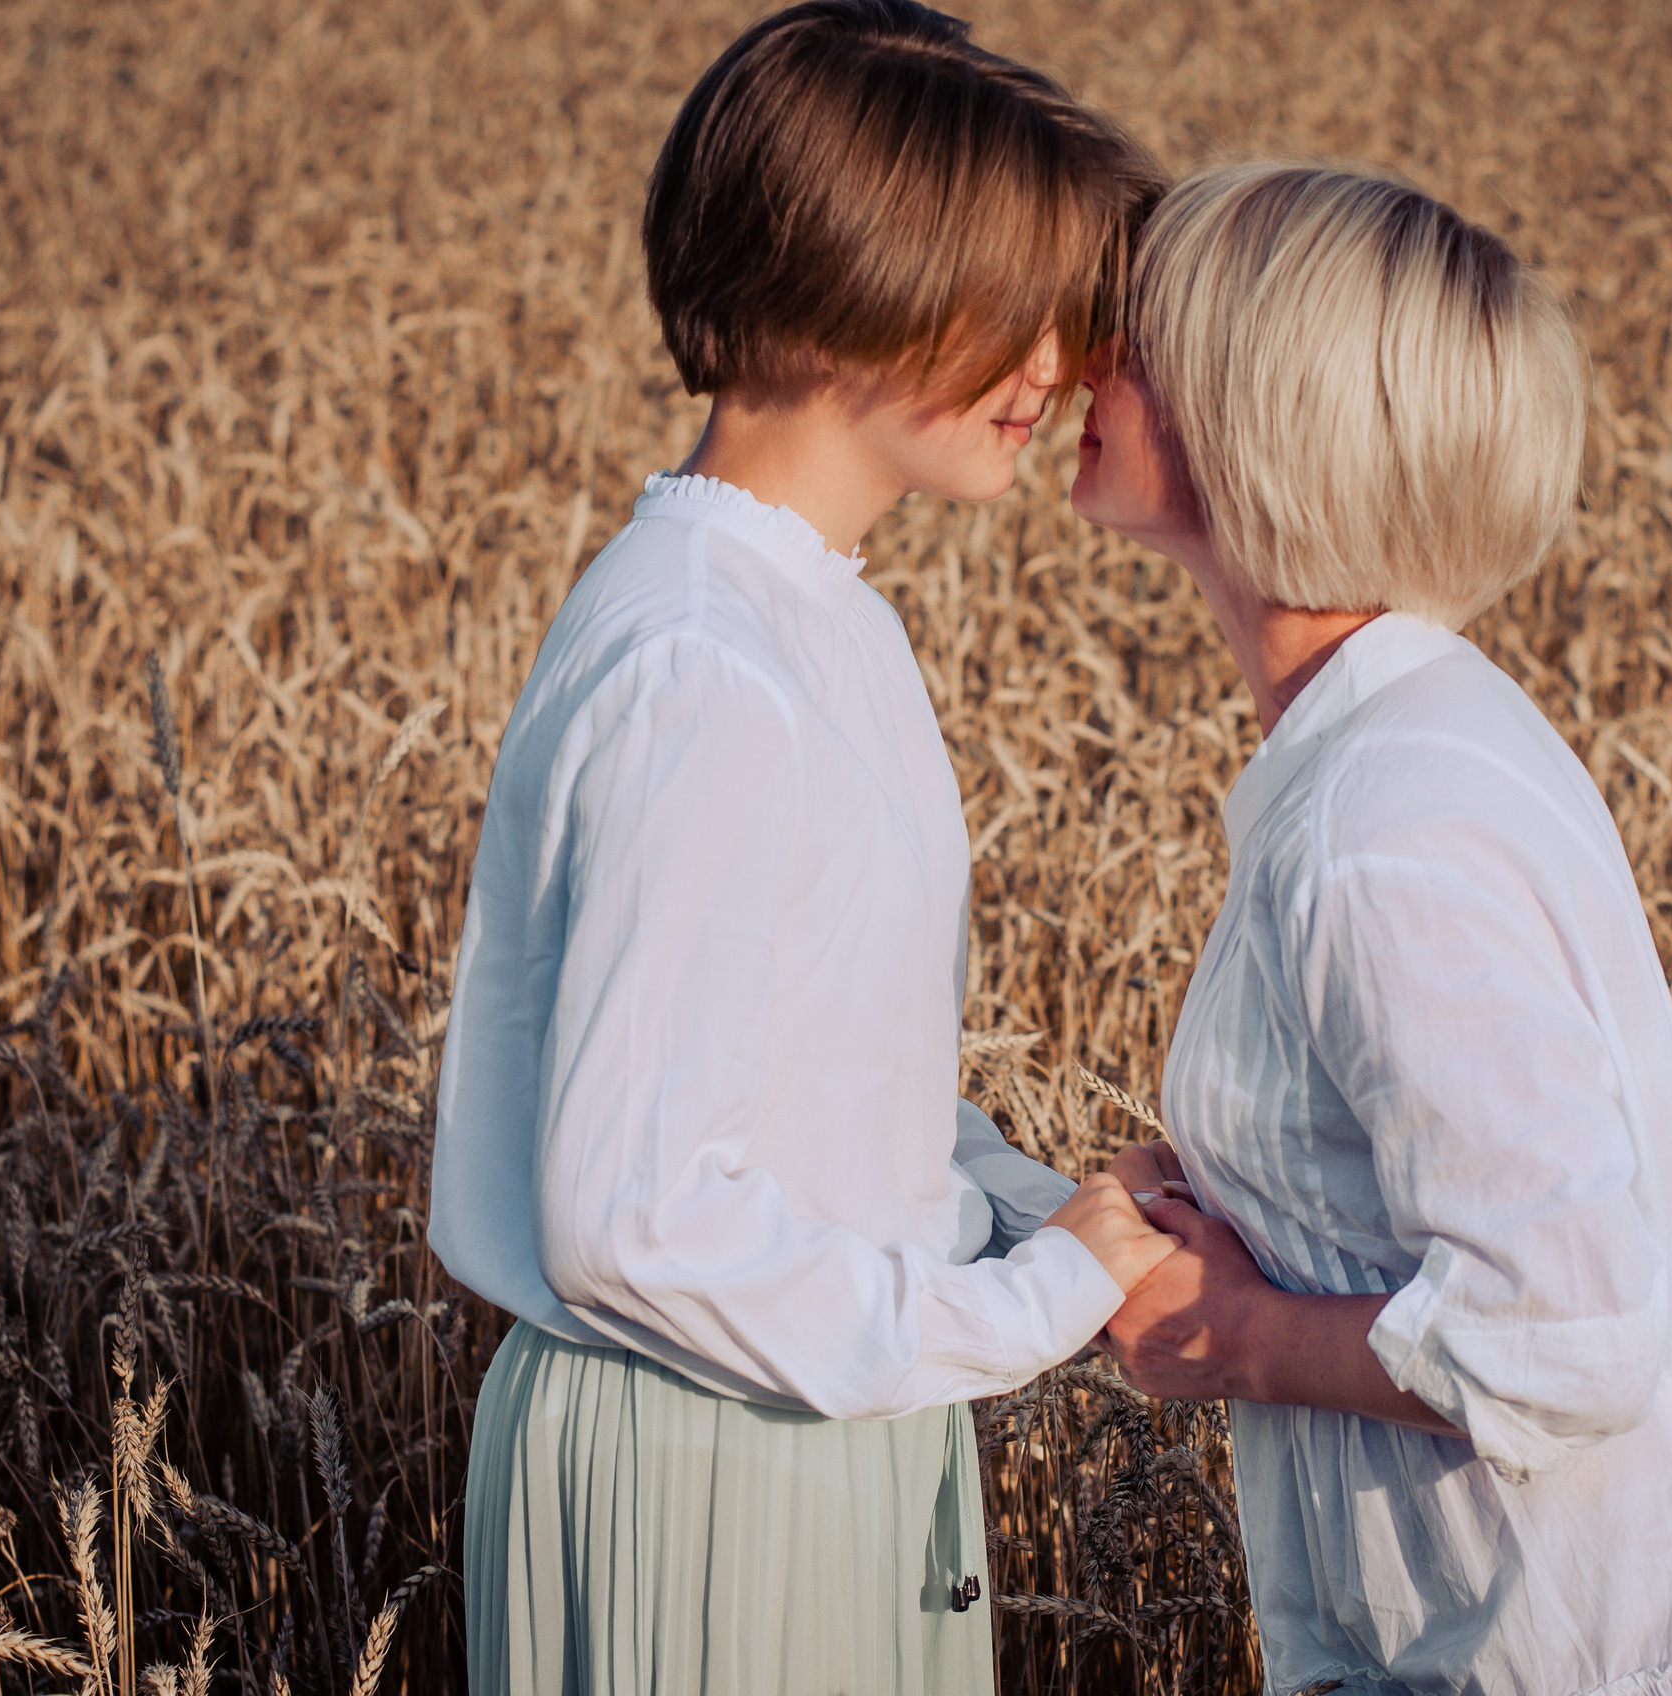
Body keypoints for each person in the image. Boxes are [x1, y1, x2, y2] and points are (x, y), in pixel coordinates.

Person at [1070, 162, 1672, 1696]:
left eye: (1138, 335)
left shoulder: (1377, 820)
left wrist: (1237, 1336)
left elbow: (1573, 1322)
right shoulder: (1404, 738)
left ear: (1257, 404)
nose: (1085, 362)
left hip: (1595, 1643)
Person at [427, 8, 1173, 1692]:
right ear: (858, 277)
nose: (1057, 365)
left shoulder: (802, 617)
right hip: (712, 1454)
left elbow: (811, 1091)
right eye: (1017, 301)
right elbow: (635, 1220)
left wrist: (1046, 1218)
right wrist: (1020, 1306)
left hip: (805, 1413)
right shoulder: (706, 665)